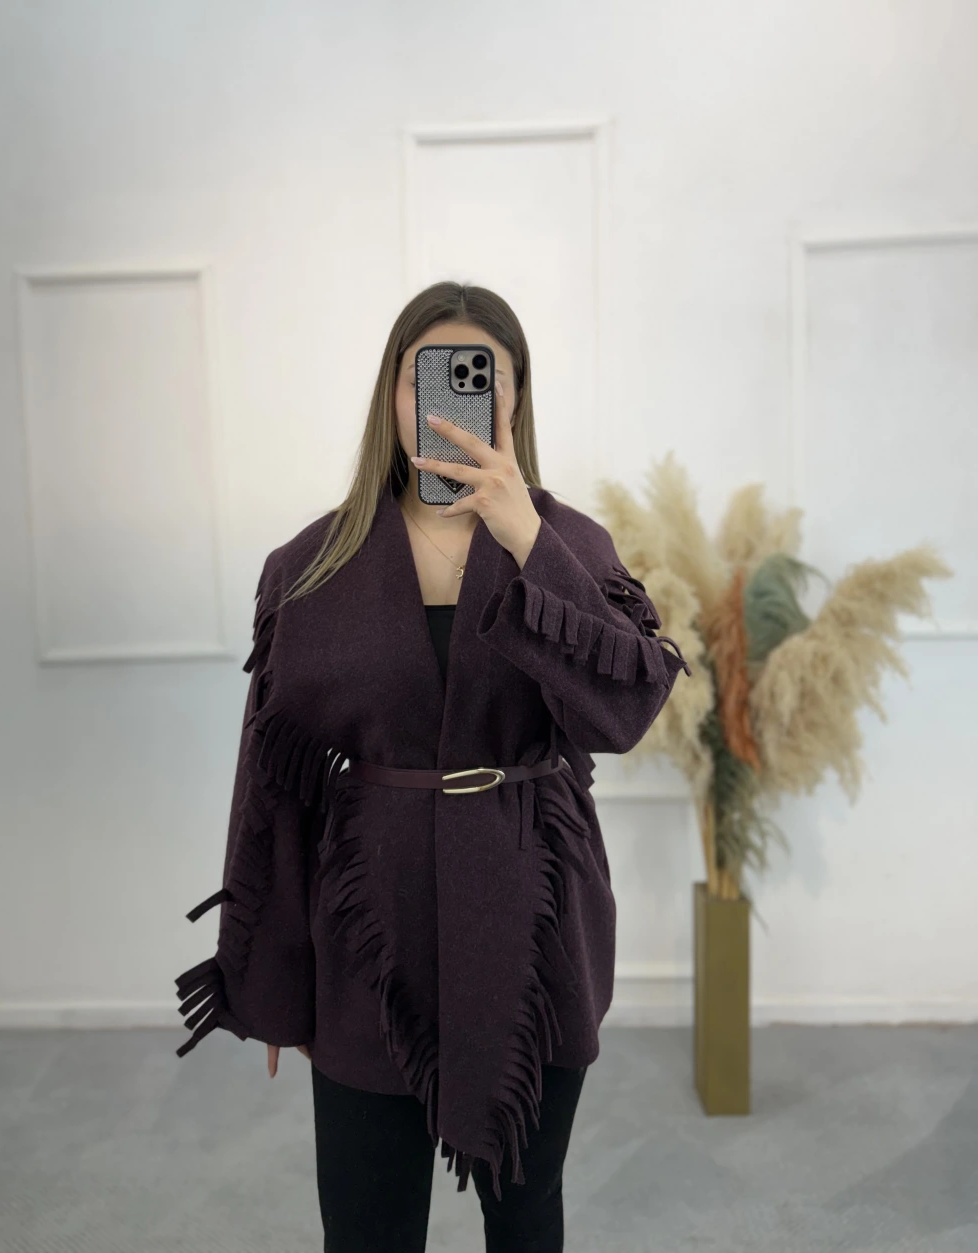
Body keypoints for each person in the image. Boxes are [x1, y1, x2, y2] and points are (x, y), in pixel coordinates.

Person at [174, 281, 692, 1252]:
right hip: (370, 933)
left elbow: (623, 713)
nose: (447, 402)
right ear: (394, 395)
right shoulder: (312, 564)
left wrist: (525, 539)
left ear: (514, 398)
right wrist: (271, 980)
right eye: (428, 379)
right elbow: (274, 786)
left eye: (479, 378)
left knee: (526, 1214)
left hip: (535, 924)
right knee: (367, 1227)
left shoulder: (569, 543)